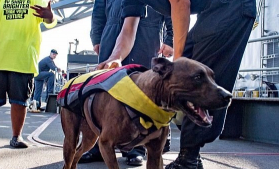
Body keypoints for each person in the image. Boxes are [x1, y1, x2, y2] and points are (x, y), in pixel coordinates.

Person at [95, 0, 256, 168]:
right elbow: (129, 28)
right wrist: (116, 57)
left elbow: (180, 3)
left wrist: (178, 67)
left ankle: (189, 159)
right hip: (209, 11)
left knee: (194, 75)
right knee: (183, 73)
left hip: (233, 6)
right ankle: (191, 155)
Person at [79, 0, 173, 166]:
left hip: (148, 33)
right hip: (112, 31)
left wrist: (170, 38)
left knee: (142, 92)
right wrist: (96, 37)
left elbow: (172, 6)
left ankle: (137, 148)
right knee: (104, 90)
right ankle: (98, 143)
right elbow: (98, 10)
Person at [0, 0, 57, 148]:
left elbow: (49, 20)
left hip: (23, 59)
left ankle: (16, 136)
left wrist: (50, 16)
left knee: (20, 101)